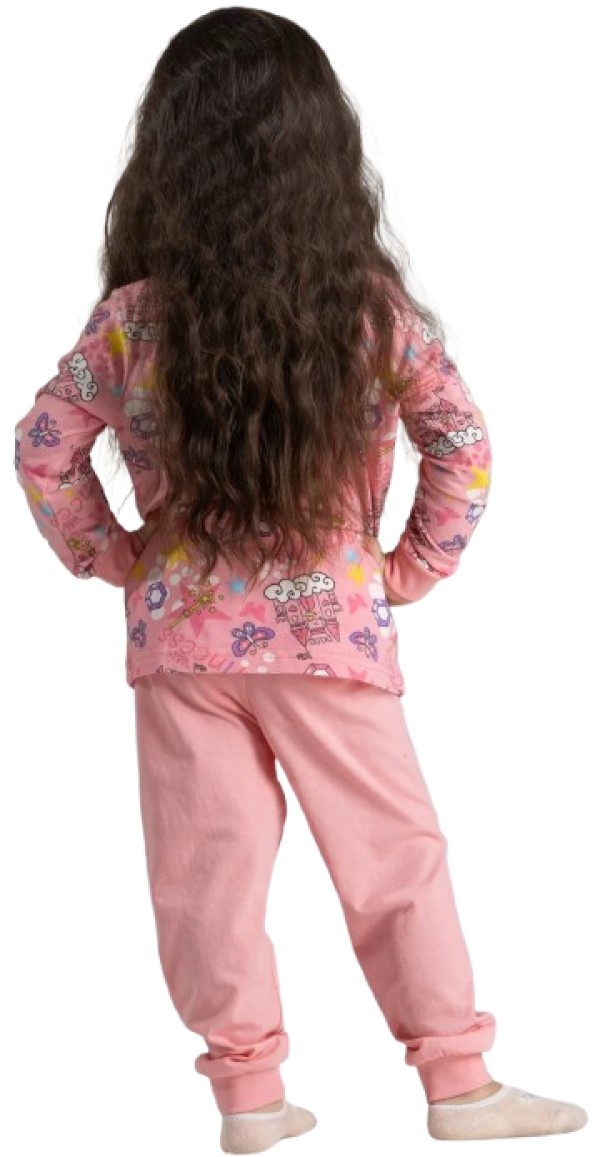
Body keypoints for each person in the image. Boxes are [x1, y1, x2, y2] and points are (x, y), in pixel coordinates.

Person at [13, 8, 587, 1153]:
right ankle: (459, 1081)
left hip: (184, 647)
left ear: (166, 158)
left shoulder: (134, 320)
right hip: (332, 636)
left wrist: (114, 554)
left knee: (206, 872)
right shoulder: (364, 310)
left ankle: (249, 1098)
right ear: (324, 152)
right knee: (393, 855)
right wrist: (411, 567)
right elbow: (462, 440)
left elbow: (42, 448)